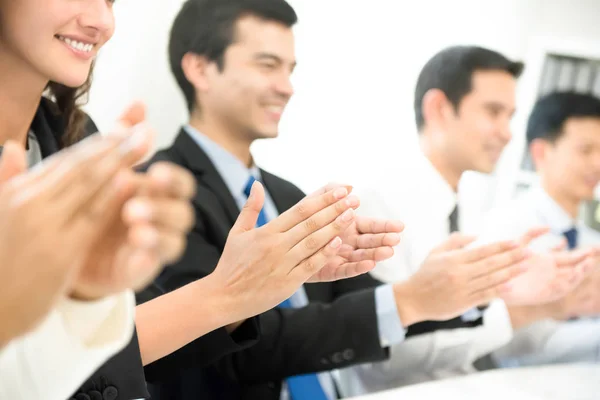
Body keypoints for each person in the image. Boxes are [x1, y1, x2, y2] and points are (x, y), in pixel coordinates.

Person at [142, 2, 543, 400]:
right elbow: (222, 345)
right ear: (199, 69)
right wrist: (409, 299)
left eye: (290, 69)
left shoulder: (286, 195)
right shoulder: (159, 192)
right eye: (267, 65)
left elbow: (361, 302)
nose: (287, 86)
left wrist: (461, 288)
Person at [0, 1, 370, 399]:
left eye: (110, 1)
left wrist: (238, 289)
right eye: (266, 64)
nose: (101, 21)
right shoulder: (163, 176)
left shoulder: (79, 140)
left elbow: (116, 341)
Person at [336, 46, 597, 396]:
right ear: (439, 109)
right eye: (493, 112)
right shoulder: (375, 209)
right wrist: (525, 309)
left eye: (510, 116)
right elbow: (381, 356)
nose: (507, 133)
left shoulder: (469, 210)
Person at [481, 92, 600, 366]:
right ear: (541, 152)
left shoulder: (591, 241)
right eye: (586, 150)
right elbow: (510, 342)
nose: (597, 163)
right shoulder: (509, 228)